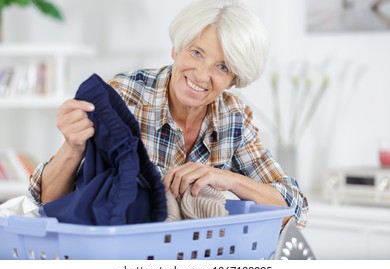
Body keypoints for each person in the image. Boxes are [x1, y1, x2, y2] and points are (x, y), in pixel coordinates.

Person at [28, 0, 308, 229]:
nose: (201, 75)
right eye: (197, 52)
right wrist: (73, 147)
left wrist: (226, 179)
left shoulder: (232, 118)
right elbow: (49, 203)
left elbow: (294, 209)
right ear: (176, 49)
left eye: (222, 68)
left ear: (234, 80)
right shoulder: (126, 96)